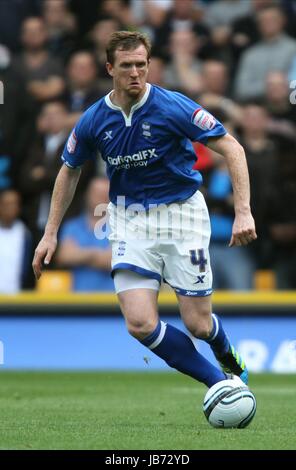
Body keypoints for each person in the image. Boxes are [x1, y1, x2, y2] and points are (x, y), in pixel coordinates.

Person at [33, 31, 257, 389]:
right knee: (139, 323)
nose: (136, 72)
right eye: (127, 66)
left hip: (182, 214)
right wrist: (50, 233)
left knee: (198, 324)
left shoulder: (173, 106)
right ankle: (219, 383)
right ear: (110, 68)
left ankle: (223, 347)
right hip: (128, 218)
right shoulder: (93, 119)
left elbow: (233, 148)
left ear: (149, 65)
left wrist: (243, 211)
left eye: (142, 64)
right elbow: (69, 169)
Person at [56, 177, 113, 292]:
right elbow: (64, 256)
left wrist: (80, 255)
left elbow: (115, 262)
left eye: (105, 194)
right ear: (87, 194)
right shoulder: (72, 226)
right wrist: (97, 255)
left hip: (111, 301)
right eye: (97, 193)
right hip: (79, 301)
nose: (101, 198)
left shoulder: (120, 228)